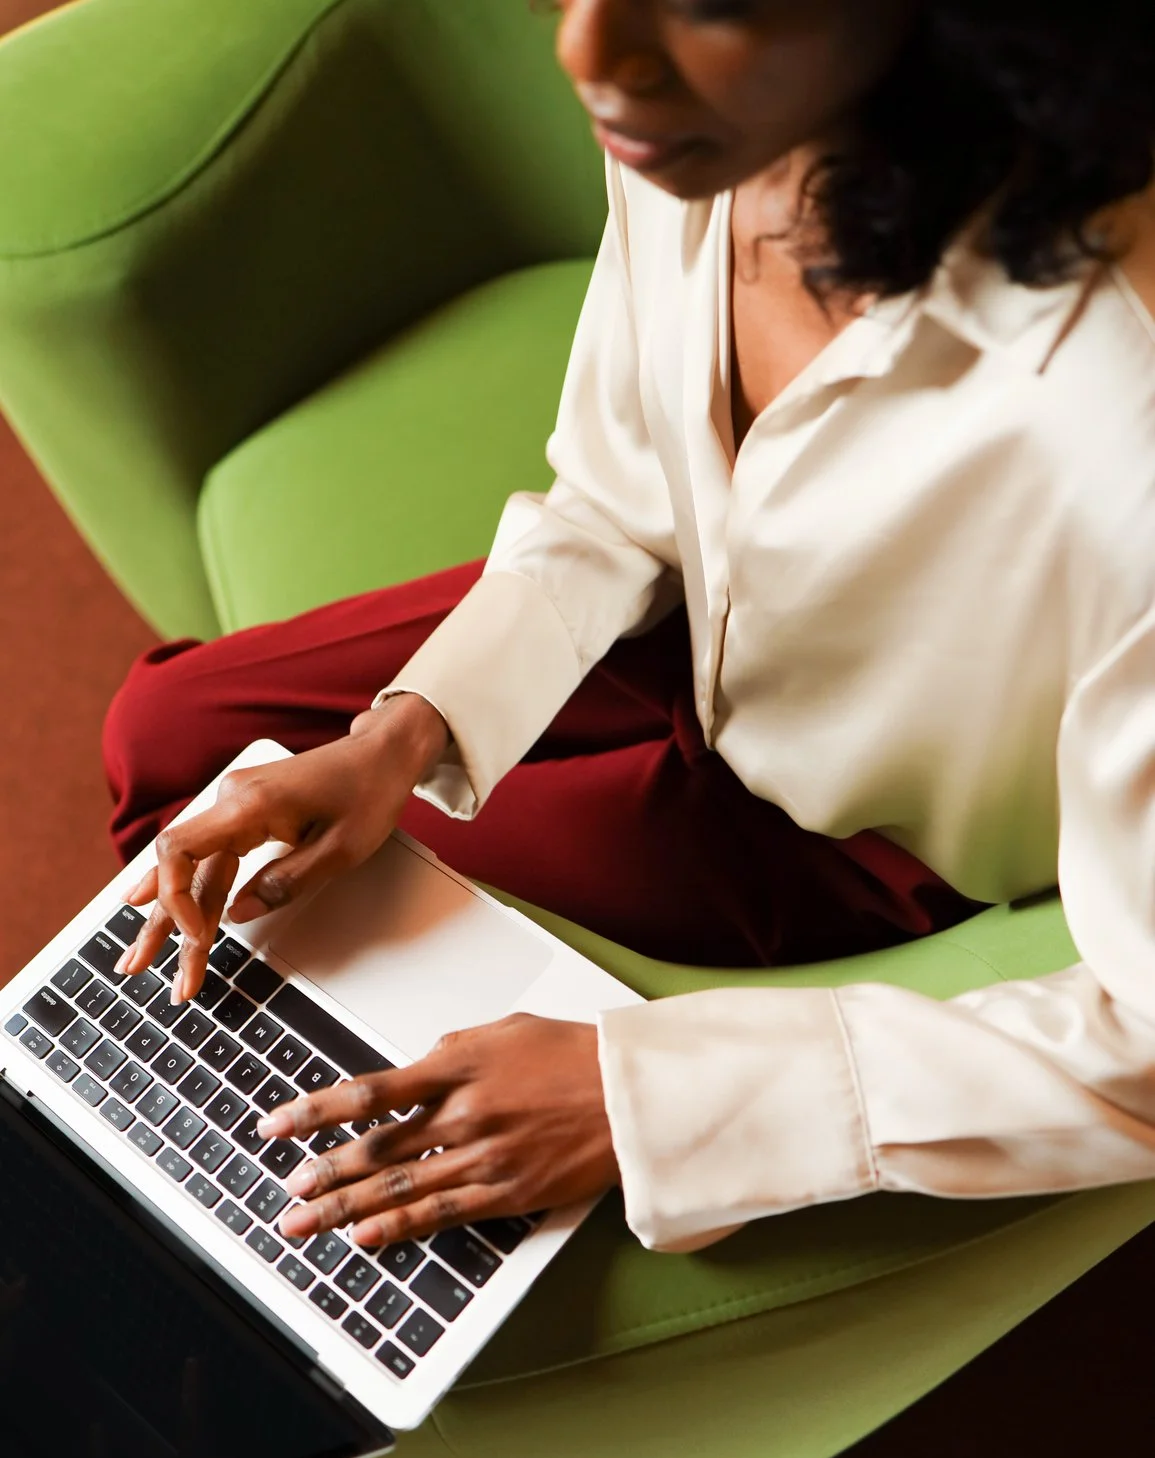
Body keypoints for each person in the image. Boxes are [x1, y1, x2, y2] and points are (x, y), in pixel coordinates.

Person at [103, 0, 1155, 1257]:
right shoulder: (702, 133)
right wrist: (404, 731)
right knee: (171, 736)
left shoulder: (1117, 431)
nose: (588, 56)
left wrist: (647, 1096)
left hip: (853, 831)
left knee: (277, 919)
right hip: (675, 627)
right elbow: (620, 491)